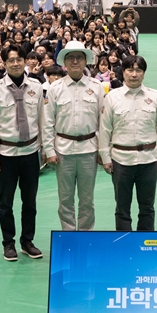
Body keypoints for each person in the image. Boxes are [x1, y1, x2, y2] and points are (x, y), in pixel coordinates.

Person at [0, 46, 45, 261]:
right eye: (10, 60)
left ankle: (27, 241)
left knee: (30, 201)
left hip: (30, 152)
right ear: (3, 63)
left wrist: (45, 149)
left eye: (19, 59)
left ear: (25, 61)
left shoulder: (36, 87)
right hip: (6, 154)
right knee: (6, 202)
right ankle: (8, 242)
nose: (15, 63)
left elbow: (42, 120)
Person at [99, 55, 157, 232]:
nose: (134, 74)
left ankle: (144, 246)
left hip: (148, 160)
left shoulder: (154, 96)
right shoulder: (112, 97)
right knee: (122, 208)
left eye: (138, 70)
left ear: (144, 74)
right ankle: (125, 247)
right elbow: (105, 129)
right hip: (121, 160)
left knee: (147, 208)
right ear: (123, 72)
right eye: (130, 70)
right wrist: (105, 158)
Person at [42, 41, 105, 231]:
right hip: (63, 151)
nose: (75, 61)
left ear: (86, 61)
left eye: (79, 57)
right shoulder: (55, 89)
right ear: (64, 63)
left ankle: (86, 237)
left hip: (89, 150)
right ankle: (69, 237)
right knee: (65, 200)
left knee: (87, 200)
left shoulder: (97, 87)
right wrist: (49, 150)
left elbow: (103, 122)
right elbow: (47, 122)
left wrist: (103, 150)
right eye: (71, 58)